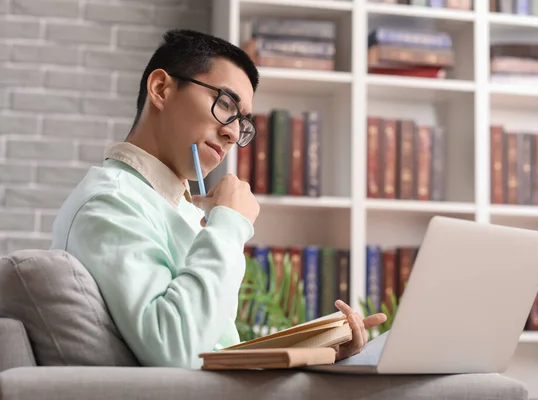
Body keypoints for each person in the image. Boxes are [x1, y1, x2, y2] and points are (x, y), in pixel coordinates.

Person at [50, 28, 386, 369]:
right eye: (225, 104)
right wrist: (228, 223)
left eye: (243, 122)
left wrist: (320, 352)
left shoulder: (176, 207)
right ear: (161, 89)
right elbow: (176, 349)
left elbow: (213, 351)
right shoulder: (111, 201)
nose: (233, 132)